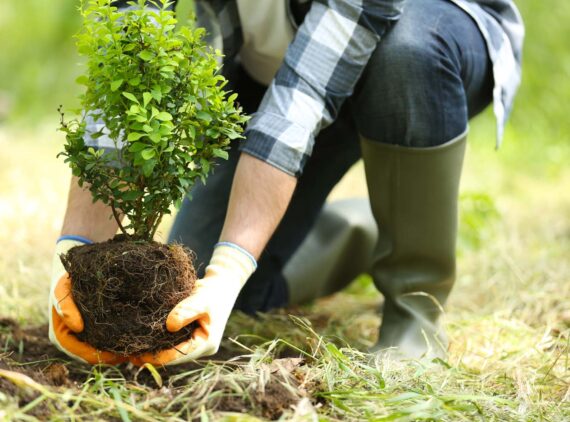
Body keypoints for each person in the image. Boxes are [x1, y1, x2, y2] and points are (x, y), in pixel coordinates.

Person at [49, 0, 524, 365]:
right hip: (274, 69)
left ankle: (414, 309)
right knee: (207, 288)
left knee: (406, 54)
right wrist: (74, 254)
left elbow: (302, 98)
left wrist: (231, 266)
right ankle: (368, 228)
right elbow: (129, 55)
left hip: (422, 41)